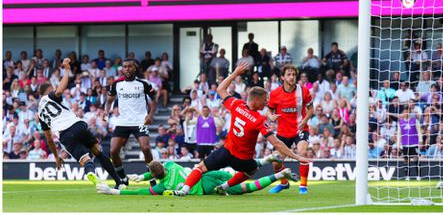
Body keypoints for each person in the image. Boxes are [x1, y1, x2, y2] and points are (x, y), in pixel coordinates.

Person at [171, 62, 311, 196]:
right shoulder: (259, 119)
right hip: (242, 159)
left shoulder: (237, 105)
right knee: (252, 169)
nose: (267, 103)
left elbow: (220, 89)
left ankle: (184, 190)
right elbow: (276, 143)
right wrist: (296, 156)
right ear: (256, 100)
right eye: (264, 100)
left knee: (200, 168)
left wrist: (235, 73)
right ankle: (225, 187)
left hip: (226, 151)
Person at [37, 58, 123, 189]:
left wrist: (56, 156)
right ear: (48, 91)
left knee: (85, 160)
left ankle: (92, 174)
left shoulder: (40, 113)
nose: (54, 90)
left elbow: (49, 139)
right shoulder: (49, 96)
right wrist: (67, 70)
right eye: (52, 89)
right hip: (77, 125)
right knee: (98, 152)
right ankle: (119, 182)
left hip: (65, 135)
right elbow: (59, 91)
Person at [96, 158, 297, 196]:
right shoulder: (171, 165)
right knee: (241, 174)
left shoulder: (160, 186)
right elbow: (157, 168)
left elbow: (140, 192)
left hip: (205, 188)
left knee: (247, 188)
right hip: (208, 173)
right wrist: (142, 174)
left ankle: (279, 174)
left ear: (154, 176)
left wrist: (116, 191)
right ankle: (262, 162)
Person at [103, 58, 158, 187]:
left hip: (140, 121)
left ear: (135, 68)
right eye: (125, 67)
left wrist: (150, 115)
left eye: (129, 66)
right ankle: (123, 178)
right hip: (123, 122)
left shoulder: (144, 83)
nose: (127, 69)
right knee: (113, 151)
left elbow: (154, 99)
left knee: (146, 148)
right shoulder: (116, 84)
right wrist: (106, 111)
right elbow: (109, 100)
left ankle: (151, 177)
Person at [267, 64, 314, 194]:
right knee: (276, 161)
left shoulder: (303, 91)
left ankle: (303, 186)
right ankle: (284, 183)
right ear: (282, 77)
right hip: (283, 132)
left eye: (293, 74)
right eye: (289, 74)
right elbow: (269, 110)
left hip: (300, 129)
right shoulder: (275, 94)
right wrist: (271, 117)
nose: (292, 77)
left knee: (302, 152)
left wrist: (304, 121)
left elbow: (311, 109)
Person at [397, 108, 422, 181]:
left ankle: (418, 175)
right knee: (406, 160)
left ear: (409, 113)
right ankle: (407, 176)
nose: (406, 113)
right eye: (404, 112)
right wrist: (398, 144)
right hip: (405, 144)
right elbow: (399, 134)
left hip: (414, 143)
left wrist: (420, 141)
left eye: (407, 112)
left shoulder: (415, 121)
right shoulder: (400, 122)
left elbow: (419, 131)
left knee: (416, 159)